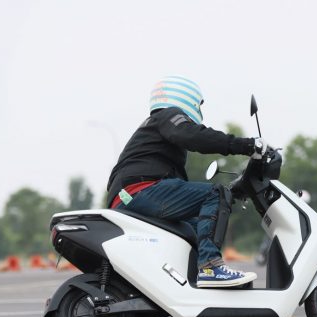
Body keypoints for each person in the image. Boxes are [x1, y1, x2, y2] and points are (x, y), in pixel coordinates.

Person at [106, 76, 268, 288]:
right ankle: (210, 268)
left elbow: (177, 185)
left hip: (131, 195)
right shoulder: (168, 115)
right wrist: (247, 145)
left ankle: (190, 284)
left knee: (196, 227)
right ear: (187, 98)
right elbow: (196, 137)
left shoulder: (155, 128)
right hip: (140, 190)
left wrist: (234, 191)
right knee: (216, 194)